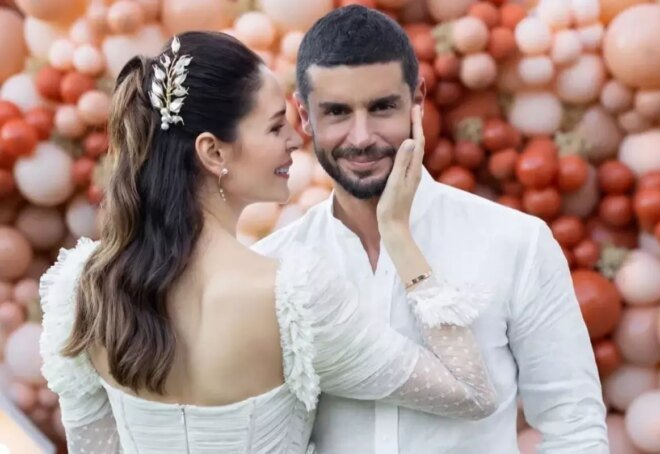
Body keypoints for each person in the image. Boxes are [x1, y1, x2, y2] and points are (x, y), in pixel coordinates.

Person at [39, 31, 500, 454]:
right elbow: (471, 391)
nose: (295, 140)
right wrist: (397, 232)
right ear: (213, 152)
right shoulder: (292, 299)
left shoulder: (83, 291)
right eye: (276, 126)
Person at [252, 5, 608, 454]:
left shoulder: (517, 242)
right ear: (304, 116)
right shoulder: (272, 265)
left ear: (417, 100)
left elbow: (573, 427)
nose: (361, 137)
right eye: (337, 112)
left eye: (382, 107)